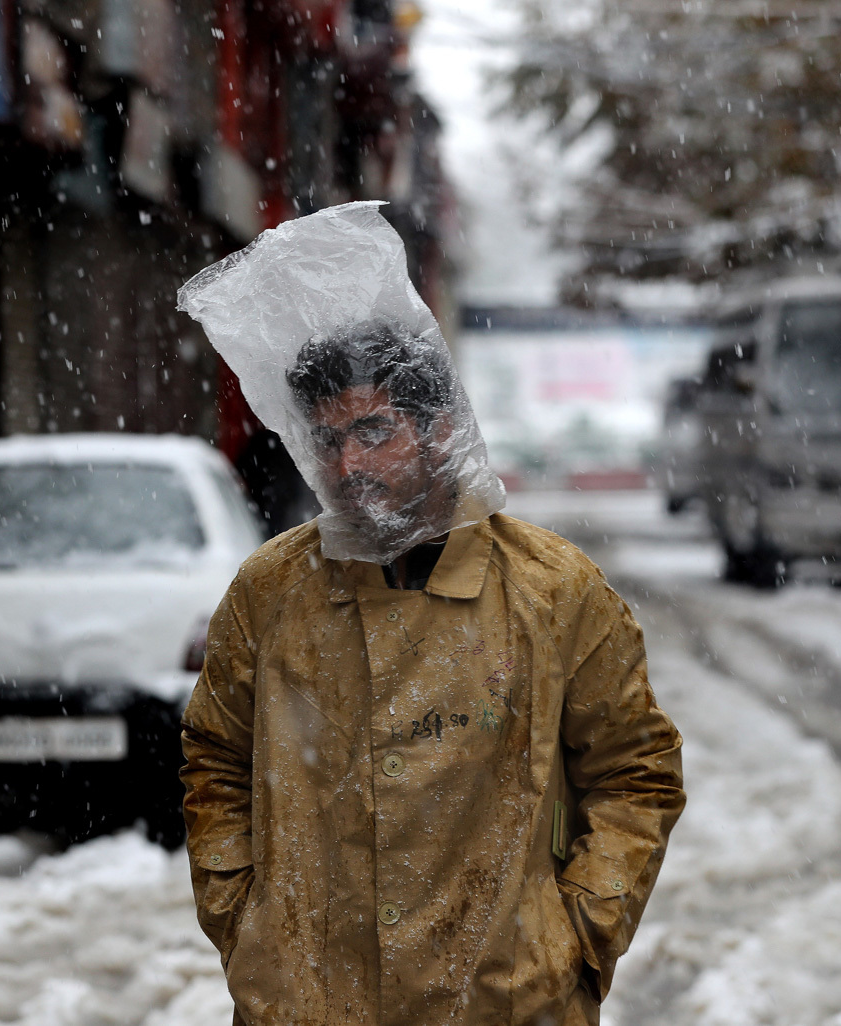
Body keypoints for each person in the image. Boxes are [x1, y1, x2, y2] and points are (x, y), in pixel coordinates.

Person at [179, 321, 685, 1026]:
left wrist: (577, 933)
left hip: (505, 1006)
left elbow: (635, 773)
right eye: (326, 440)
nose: (349, 463)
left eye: (374, 431)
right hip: (307, 1007)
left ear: (441, 429)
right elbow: (216, 761)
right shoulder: (271, 592)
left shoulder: (552, 590)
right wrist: (244, 923)